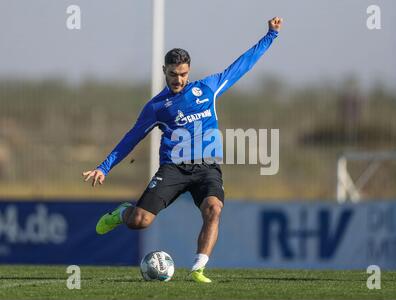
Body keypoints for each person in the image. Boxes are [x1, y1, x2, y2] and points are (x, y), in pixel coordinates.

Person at [82, 17, 283, 283]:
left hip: (207, 167)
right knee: (140, 221)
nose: (179, 79)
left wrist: (271, 35)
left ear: (189, 71)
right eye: (173, 74)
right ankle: (121, 213)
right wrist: (104, 167)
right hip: (173, 168)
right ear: (164, 70)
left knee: (214, 209)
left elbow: (242, 65)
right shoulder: (157, 107)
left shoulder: (208, 88)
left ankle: (198, 268)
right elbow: (132, 138)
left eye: (183, 74)